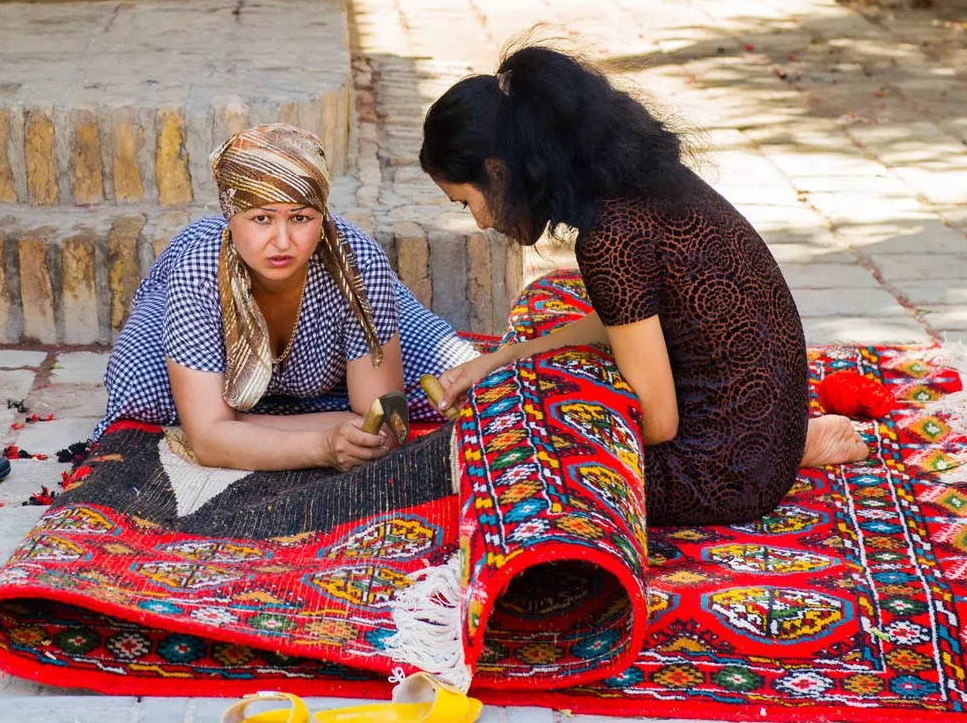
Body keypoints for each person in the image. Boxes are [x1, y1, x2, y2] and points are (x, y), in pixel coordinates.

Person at [418, 45, 867, 527]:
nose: (482, 222)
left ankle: (788, 450)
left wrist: (545, 408)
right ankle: (792, 445)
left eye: (467, 203)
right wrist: (501, 360)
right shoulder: (631, 185)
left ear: (497, 171)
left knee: (518, 458)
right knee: (538, 383)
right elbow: (622, 319)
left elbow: (657, 421)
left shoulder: (611, 236)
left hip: (723, 472)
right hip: (758, 433)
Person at [99, 123, 478, 472]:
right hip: (203, 322)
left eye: (300, 218)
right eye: (261, 219)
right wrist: (321, 445)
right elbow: (208, 443)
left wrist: (231, 426)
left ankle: (239, 414)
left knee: (465, 387)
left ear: (323, 215)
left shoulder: (358, 263)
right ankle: (241, 410)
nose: (282, 242)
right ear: (230, 217)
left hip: (341, 325)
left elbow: (380, 422)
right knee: (139, 390)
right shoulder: (197, 270)